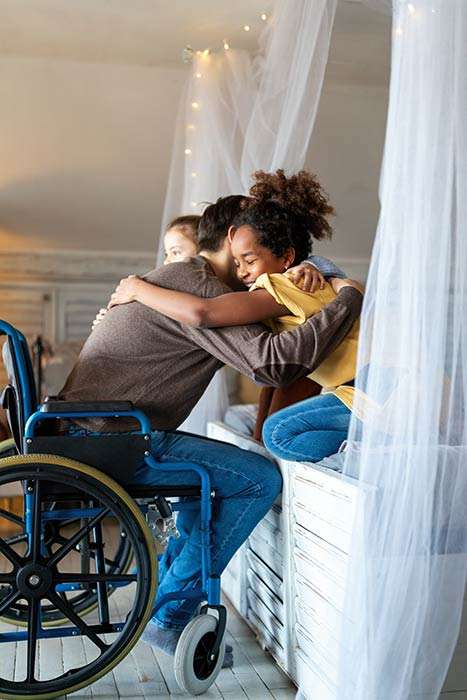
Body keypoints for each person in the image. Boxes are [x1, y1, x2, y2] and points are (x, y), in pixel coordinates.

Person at [59, 193, 363, 664]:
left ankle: (166, 595)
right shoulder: (201, 288)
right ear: (230, 238)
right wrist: (347, 298)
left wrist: (320, 268)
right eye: (244, 256)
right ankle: (170, 614)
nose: (249, 271)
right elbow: (274, 364)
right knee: (257, 479)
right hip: (112, 439)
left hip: (89, 430)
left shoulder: (177, 279)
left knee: (214, 479)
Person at [107, 170, 360, 449]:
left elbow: (205, 313)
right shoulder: (294, 278)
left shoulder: (280, 284)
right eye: (237, 263)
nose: (242, 273)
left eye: (248, 260)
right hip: (354, 385)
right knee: (275, 431)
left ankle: (362, 445)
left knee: (277, 435)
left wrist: (138, 289)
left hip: (362, 384)